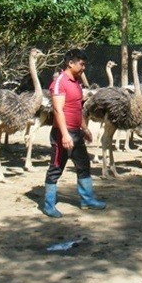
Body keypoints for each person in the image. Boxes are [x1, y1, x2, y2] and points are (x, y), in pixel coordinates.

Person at [42, 48, 106, 218]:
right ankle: (49, 205)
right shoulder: (60, 82)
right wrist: (64, 135)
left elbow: (78, 109)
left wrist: (84, 129)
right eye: (81, 64)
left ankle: (87, 200)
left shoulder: (76, 83)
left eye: (84, 64)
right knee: (56, 168)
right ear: (70, 63)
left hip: (76, 133)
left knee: (84, 165)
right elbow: (57, 109)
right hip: (62, 133)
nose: (84, 67)